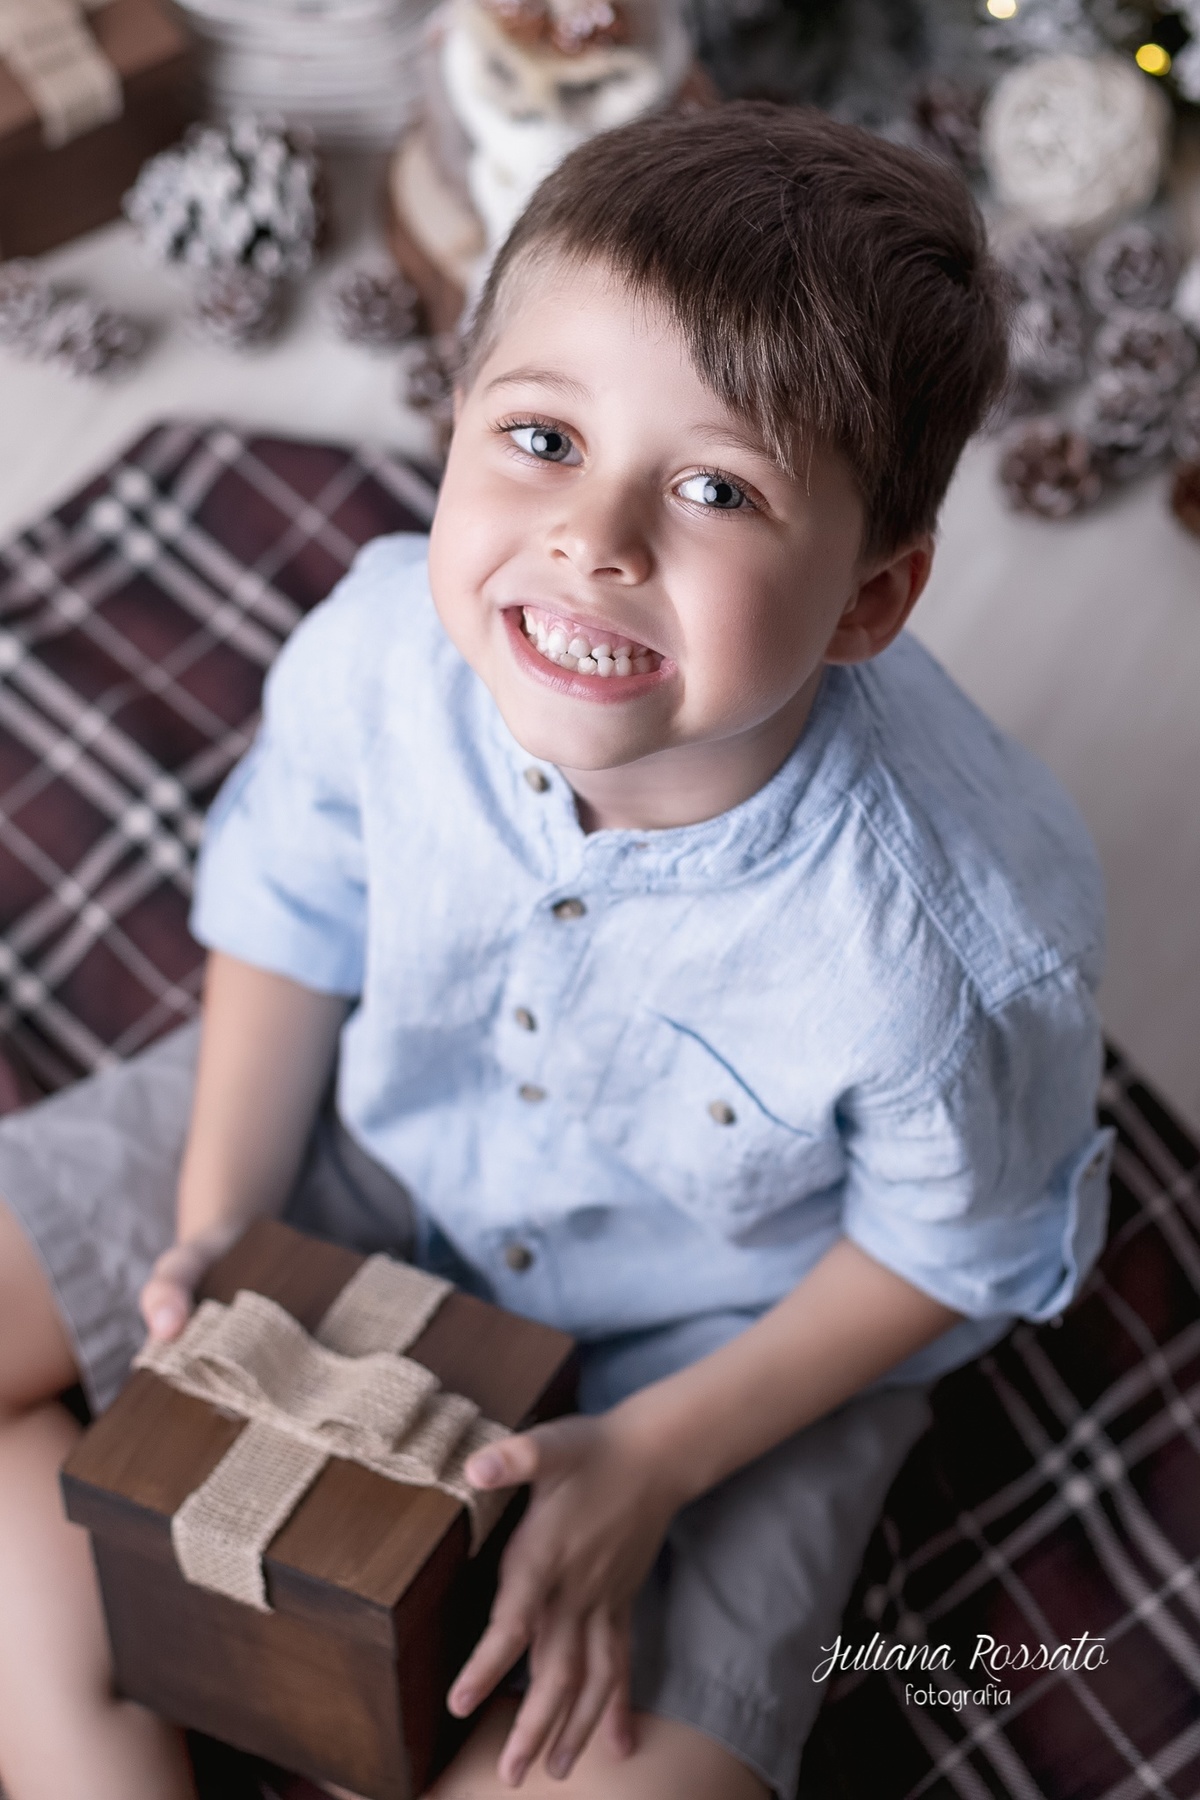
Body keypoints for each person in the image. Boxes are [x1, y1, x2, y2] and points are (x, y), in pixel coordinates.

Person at [0, 102, 1113, 1800]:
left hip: (721, 1339)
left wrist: (654, 1462)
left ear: (870, 600)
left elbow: (951, 1249)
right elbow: (292, 909)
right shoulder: (386, 647)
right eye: (541, 437)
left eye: (716, 487)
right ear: (455, 415)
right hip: (368, 1132)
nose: (596, 539)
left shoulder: (958, 949)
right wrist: (224, 1220)